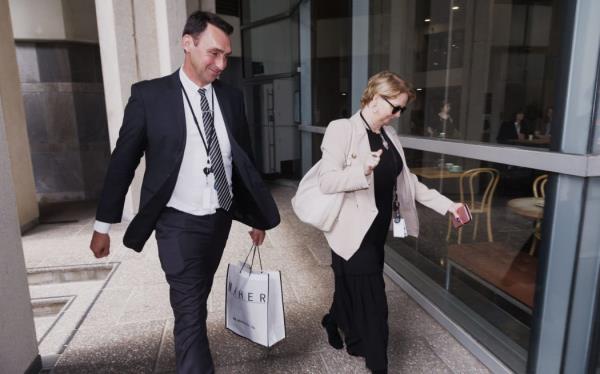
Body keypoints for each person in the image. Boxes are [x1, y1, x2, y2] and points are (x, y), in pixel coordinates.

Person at [89, 11, 280, 374]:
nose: (222, 64)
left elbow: (244, 160)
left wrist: (255, 216)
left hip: (220, 217)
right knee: (189, 306)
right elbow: (122, 162)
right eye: (213, 53)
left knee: (198, 293)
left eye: (226, 55)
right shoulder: (150, 96)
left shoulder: (231, 99)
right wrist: (103, 225)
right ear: (187, 43)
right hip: (176, 221)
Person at [317, 71, 463, 374]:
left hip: (376, 231)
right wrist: (363, 171)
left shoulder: (390, 136)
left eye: (402, 109)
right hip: (350, 230)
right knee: (373, 302)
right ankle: (378, 365)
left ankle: (333, 321)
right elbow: (327, 182)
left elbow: (408, 183)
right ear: (373, 97)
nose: (398, 115)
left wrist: (448, 206)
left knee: (349, 288)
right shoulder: (342, 129)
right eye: (394, 107)